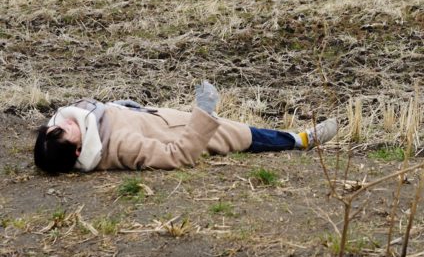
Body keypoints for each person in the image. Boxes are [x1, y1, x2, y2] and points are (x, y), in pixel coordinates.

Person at [34, 81, 338, 174]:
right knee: (247, 135)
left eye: (54, 128)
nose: (64, 123)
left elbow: (101, 113)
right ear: (78, 151)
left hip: (170, 117)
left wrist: (124, 106)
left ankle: (298, 137)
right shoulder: (120, 147)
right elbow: (176, 156)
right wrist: (204, 113)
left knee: (245, 129)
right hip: (191, 130)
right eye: (64, 131)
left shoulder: (78, 122)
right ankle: (302, 140)